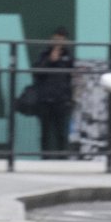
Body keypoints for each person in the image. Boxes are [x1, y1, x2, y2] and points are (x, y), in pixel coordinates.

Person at [31, 28, 75, 156]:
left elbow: (72, 76)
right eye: (56, 40)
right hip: (45, 99)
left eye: (61, 40)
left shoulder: (69, 56)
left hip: (61, 100)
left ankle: (62, 158)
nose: (58, 43)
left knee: (61, 132)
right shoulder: (43, 54)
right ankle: (45, 157)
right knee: (45, 132)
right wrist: (50, 60)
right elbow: (36, 72)